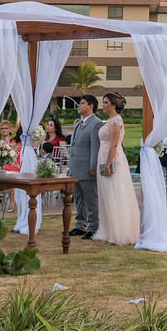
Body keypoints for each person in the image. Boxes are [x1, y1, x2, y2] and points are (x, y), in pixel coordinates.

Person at [92, 92, 140, 246]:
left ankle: (120, 232)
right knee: (106, 195)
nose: (103, 105)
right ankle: (108, 230)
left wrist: (107, 164)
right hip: (102, 159)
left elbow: (113, 144)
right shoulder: (108, 121)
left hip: (112, 161)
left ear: (113, 105)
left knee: (114, 194)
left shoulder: (116, 121)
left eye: (105, 102)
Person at [67, 94, 102, 239]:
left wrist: (93, 167)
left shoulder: (96, 124)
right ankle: (80, 225)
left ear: (90, 106)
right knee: (78, 200)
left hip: (88, 170)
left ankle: (94, 227)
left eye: (82, 103)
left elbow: (95, 148)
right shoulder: (79, 123)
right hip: (76, 169)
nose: (78, 106)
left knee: (91, 200)